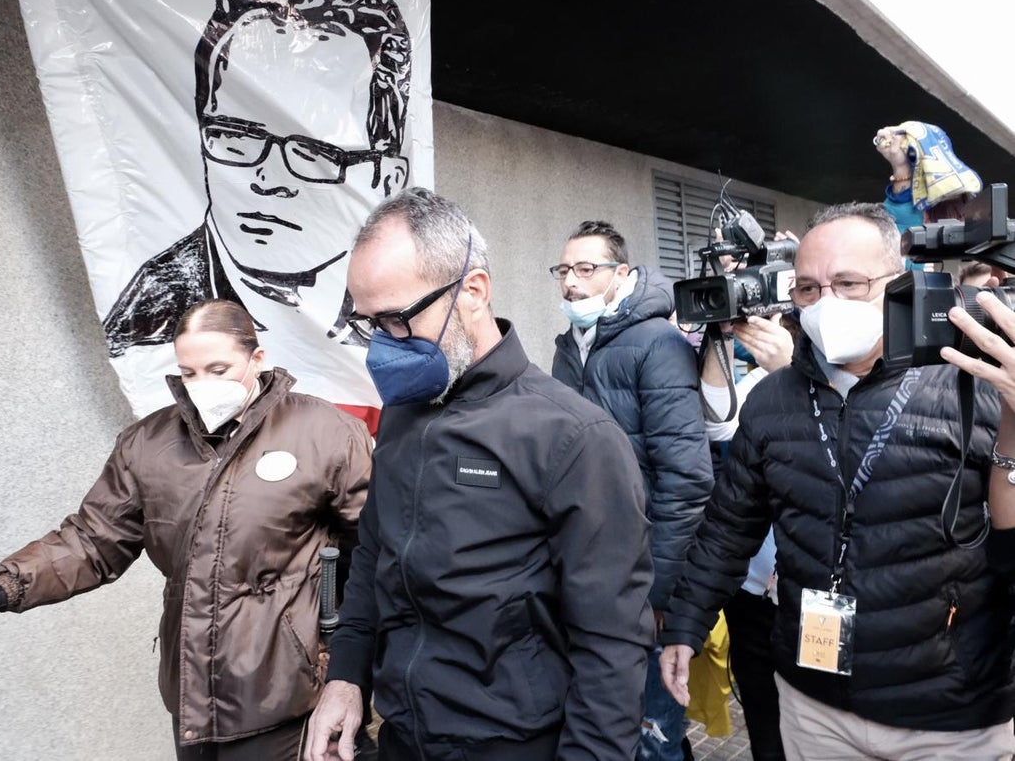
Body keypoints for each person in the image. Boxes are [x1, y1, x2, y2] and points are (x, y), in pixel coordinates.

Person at [0, 299, 373, 759]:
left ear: (257, 357)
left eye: (218, 370)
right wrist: (1, 590)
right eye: (188, 371)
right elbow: (93, 540)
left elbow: (377, 553)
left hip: (290, 694)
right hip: (193, 694)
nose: (202, 383)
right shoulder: (148, 442)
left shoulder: (325, 432)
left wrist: (353, 670)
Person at [304, 188, 656, 761]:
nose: (382, 346)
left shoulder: (573, 438)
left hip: (514, 744)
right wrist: (347, 676)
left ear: (472, 291)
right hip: (403, 735)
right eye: (369, 324)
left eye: (396, 319)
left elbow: (612, 645)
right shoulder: (402, 414)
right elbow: (373, 554)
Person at [660, 202, 1015, 759]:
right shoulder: (772, 399)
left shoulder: (977, 386)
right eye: (807, 288)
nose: (826, 302)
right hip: (813, 703)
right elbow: (729, 527)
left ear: (900, 282)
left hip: (947, 717)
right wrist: (685, 624)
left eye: (849, 282)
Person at [103, 0, 413, 420]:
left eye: (313, 154)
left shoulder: (410, 317)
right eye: (236, 138)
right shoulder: (146, 321)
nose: (266, 180)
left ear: (388, 181)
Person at [550, 220, 713, 760]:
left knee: (652, 731)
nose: (572, 282)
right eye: (564, 270)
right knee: (606, 722)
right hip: (589, 570)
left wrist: (660, 591)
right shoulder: (569, 347)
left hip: (645, 579)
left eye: (586, 268)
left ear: (621, 273)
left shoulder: (658, 342)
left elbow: (685, 479)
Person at [700, 312, 797, 761]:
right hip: (753, 590)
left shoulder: (867, 375)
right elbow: (720, 423)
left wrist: (791, 371)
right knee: (764, 720)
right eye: (806, 289)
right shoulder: (763, 379)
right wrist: (719, 336)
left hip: (814, 594)